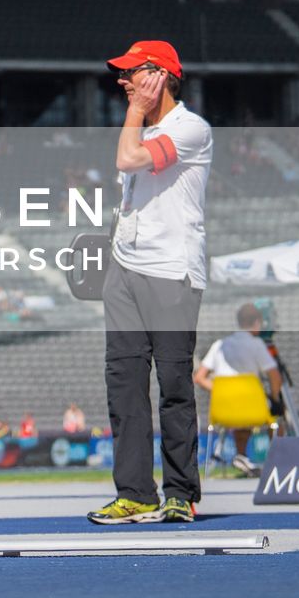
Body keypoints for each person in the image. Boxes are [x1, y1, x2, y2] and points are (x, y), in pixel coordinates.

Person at [88, 40, 211, 525]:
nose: (123, 82)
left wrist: (137, 112)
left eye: (132, 73)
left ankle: (180, 492)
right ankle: (136, 493)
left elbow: (129, 160)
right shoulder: (147, 124)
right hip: (126, 268)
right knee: (124, 384)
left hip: (171, 271)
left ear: (160, 76)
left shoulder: (190, 128)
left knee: (175, 385)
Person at [193, 302, 283, 475]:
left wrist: (221, 391)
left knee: (241, 415)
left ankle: (241, 457)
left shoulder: (219, 345)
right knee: (278, 417)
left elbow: (199, 377)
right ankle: (276, 465)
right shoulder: (257, 345)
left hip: (224, 411)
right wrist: (275, 398)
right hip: (253, 410)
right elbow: (275, 376)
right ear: (257, 322)